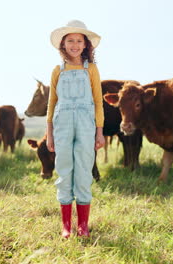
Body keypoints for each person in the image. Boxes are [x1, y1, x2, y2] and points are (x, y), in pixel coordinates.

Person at [46, 20, 105, 238]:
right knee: (64, 169)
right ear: (63, 44)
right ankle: (66, 225)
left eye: (79, 40)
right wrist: (49, 133)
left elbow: (98, 101)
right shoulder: (57, 70)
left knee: (83, 168)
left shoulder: (91, 69)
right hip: (61, 125)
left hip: (86, 124)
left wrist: (99, 131)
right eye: (70, 40)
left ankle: (82, 225)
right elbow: (52, 102)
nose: (75, 44)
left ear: (86, 45)